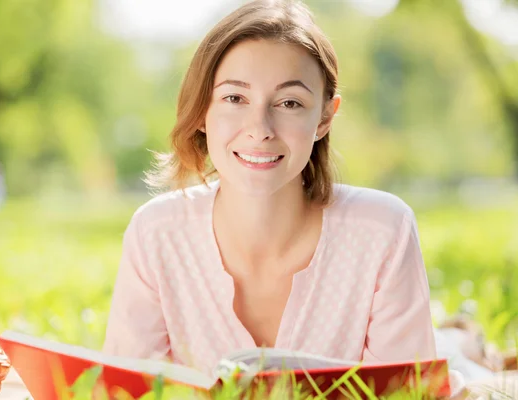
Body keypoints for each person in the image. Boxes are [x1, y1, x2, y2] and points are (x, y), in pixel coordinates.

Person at [104, 0, 441, 394]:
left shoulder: (383, 230)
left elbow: (410, 392)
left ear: (324, 118)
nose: (260, 128)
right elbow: (122, 389)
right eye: (234, 98)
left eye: (289, 103)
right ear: (201, 112)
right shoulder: (156, 233)